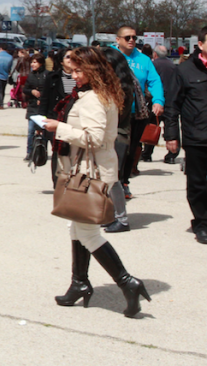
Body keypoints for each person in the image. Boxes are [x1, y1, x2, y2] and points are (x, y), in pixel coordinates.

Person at [44, 47, 151, 318]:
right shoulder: (98, 94)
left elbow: (95, 138)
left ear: (93, 71)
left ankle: (128, 282)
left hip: (90, 173)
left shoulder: (93, 98)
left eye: (80, 70)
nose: (74, 74)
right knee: (76, 228)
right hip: (89, 170)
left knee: (88, 233)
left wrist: (60, 129)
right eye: (74, 70)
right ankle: (79, 283)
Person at [165, 26, 207, 245]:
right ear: (200, 45)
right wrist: (172, 134)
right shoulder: (185, 70)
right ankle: (202, 224)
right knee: (197, 184)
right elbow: (172, 105)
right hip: (197, 136)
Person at [114, 25, 164, 189]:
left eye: (134, 37)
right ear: (118, 40)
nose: (132, 40)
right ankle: (112, 181)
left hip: (136, 113)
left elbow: (154, 81)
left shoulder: (144, 60)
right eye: (127, 37)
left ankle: (125, 181)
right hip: (115, 113)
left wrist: (158, 100)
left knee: (131, 149)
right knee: (116, 148)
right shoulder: (111, 57)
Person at [101, 47, 139, 234]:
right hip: (110, 135)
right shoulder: (110, 85)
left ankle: (121, 219)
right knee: (105, 179)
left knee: (112, 179)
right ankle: (110, 214)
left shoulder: (122, 88)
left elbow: (117, 115)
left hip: (117, 137)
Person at [40, 49, 76, 185]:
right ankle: (58, 182)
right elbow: (45, 100)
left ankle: (72, 181)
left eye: (73, 57)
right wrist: (41, 122)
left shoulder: (81, 77)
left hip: (74, 121)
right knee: (58, 152)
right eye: (68, 57)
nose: (71, 59)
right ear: (61, 61)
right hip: (55, 119)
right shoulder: (52, 77)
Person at [143, 45, 179, 164]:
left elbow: (149, 82)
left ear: (155, 54)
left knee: (152, 127)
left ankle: (147, 153)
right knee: (171, 126)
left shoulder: (153, 64)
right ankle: (172, 155)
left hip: (156, 101)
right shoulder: (173, 66)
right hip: (172, 100)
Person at [22, 53, 47, 158]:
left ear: (41, 63)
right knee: (31, 131)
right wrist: (31, 91)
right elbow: (25, 89)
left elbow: (50, 90)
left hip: (43, 108)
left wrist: (42, 99)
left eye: (35, 62)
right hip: (32, 107)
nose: (32, 64)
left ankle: (42, 152)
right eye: (32, 62)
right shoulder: (30, 75)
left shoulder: (47, 75)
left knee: (44, 131)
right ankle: (29, 152)